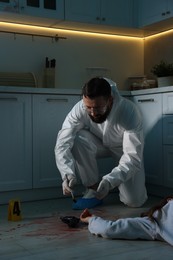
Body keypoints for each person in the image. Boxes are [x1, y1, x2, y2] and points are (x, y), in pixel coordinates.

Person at [54, 77, 147, 210]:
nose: (92, 112)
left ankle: (110, 188)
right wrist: (67, 173)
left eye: (98, 107)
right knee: (77, 137)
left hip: (123, 149)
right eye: (88, 107)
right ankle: (92, 189)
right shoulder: (80, 108)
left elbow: (133, 157)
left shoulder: (129, 111)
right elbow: (62, 142)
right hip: (98, 143)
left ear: (110, 100)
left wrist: (110, 181)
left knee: (134, 201)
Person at [79, 196, 173, 246]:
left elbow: (109, 229)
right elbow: (110, 229)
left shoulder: (153, 223)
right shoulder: (153, 222)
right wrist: (91, 219)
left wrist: (91, 219)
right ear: (169, 200)